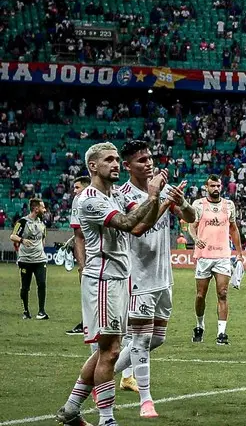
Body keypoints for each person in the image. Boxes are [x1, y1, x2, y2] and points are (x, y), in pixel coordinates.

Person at [55, 142, 178, 426]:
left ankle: (72, 408)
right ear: (93, 167)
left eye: (115, 159)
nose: (114, 164)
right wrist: (154, 195)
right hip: (103, 279)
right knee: (110, 352)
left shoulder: (113, 195)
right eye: (108, 160)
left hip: (120, 279)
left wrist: (167, 201)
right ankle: (107, 420)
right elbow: (126, 223)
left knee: (106, 350)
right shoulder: (90, 199)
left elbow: (140, 224)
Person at [112, 140, 194, 417]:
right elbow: (135, 228)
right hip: (138, 276)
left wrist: (181, 202)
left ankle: (103, 369)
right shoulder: (121, 195)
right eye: (141, 160)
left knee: (157, 339)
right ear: (127, 166)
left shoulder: (162, 189)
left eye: (149, 158)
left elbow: (191, 216)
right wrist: (159, 197)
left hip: (163, 277)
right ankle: (146, 401)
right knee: (142, 339)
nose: (148, 163)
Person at [188, 175, 241, 346]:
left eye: (218, 185)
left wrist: (239, 252)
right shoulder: (198, 204)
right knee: (200, 295)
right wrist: (195, 239)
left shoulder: (229, 205)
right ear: (206, 187)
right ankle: (199, 325)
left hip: (223, 256)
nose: (216, 188)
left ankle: (221, 333)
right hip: (204, 255)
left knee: (223, 293)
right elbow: (191, 225)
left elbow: (234, 229)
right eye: (212, 186)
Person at [12, 198, 50, 320]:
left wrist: (40, 250)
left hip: (40, 260)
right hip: (25, 260)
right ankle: (26, 311)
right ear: (36, 208)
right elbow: (12, 236)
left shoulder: (42, 223)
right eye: (43, 207)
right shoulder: (22, 222)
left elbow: (43, 239)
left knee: (42, 284)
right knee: (25, 287)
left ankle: (41, 312)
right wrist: (22, 240)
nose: (45, 210)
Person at [65, 176, 91, 336]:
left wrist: (82, 265)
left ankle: (88, 323)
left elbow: (79, 233)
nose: (75, 191)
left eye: (77, 187)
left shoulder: (81, 199)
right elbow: (79, 233)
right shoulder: (79, 200)